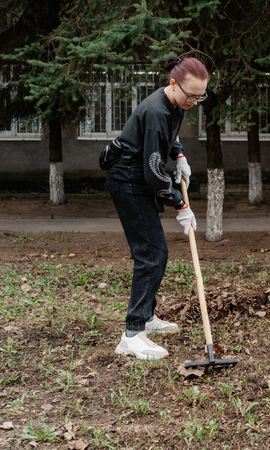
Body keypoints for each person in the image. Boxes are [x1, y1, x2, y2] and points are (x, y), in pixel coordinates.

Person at [99, 56, 209, 359]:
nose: (195, 102)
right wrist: (181, 204)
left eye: (201, 96)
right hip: (129, 181)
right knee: (152, 253)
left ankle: (147, 316)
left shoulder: (175, 103)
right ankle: (132, 334)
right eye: (191, 96)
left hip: (140, 178)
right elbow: (153, 173)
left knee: (152, 252)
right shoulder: (158, 110)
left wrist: (180, 154)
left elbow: (166, 138)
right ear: (173, 84)